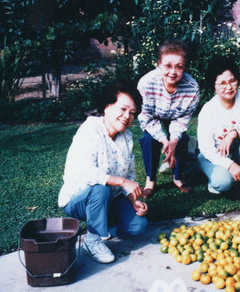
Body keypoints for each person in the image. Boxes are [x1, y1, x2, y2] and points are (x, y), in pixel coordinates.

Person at [58, 83, 148, 264]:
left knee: (139, 226)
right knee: (101, 188)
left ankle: (104, 224)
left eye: (132, 113)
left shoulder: (127, 136)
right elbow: (87, 172)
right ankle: (92, 240)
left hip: (110, 199)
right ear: (107, 107)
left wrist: (134, 200)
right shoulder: (89, 130)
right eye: (122, 109)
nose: (127, 116)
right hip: (79, 199)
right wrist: (122, 182)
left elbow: (130, 174)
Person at [137, 39, 200, 198]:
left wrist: (173, 141)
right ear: (159, 64)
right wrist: (164, 141)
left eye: (179, 67)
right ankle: (150, 180)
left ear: (185, 67)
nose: (173, 72)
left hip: (175, 115)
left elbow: (182, 120)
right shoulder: (146, 84)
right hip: (154, 114)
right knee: (150, 140)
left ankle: (178, 178)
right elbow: (146, 118)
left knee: (181, 140)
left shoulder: (192, 88)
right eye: (168, 66)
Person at [197, 57, 240, 206]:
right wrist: (230, 165)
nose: (229, 87)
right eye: (222, 83)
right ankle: (212, 175)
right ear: (214, 87)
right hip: (216, 154)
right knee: (223, 183)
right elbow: (207, 149)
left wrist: (234, 133)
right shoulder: (208, 111)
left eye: (232, 81)